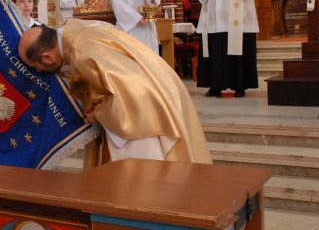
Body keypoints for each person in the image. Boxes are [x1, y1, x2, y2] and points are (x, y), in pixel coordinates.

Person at [17, 20, 212, 164]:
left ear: (47, 56)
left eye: (36, 66)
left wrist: (98, 114)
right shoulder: (78, 30)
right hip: (161, 89)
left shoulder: (82, 53)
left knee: (145, 187)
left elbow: (132, 91)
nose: (39, 71)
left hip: (144, 119)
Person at [193, 0, 262, 98]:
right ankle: (215, 87)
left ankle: (240, 86)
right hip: (215, 20)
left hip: (239, 20)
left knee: (239, 52)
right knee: (216, 52)